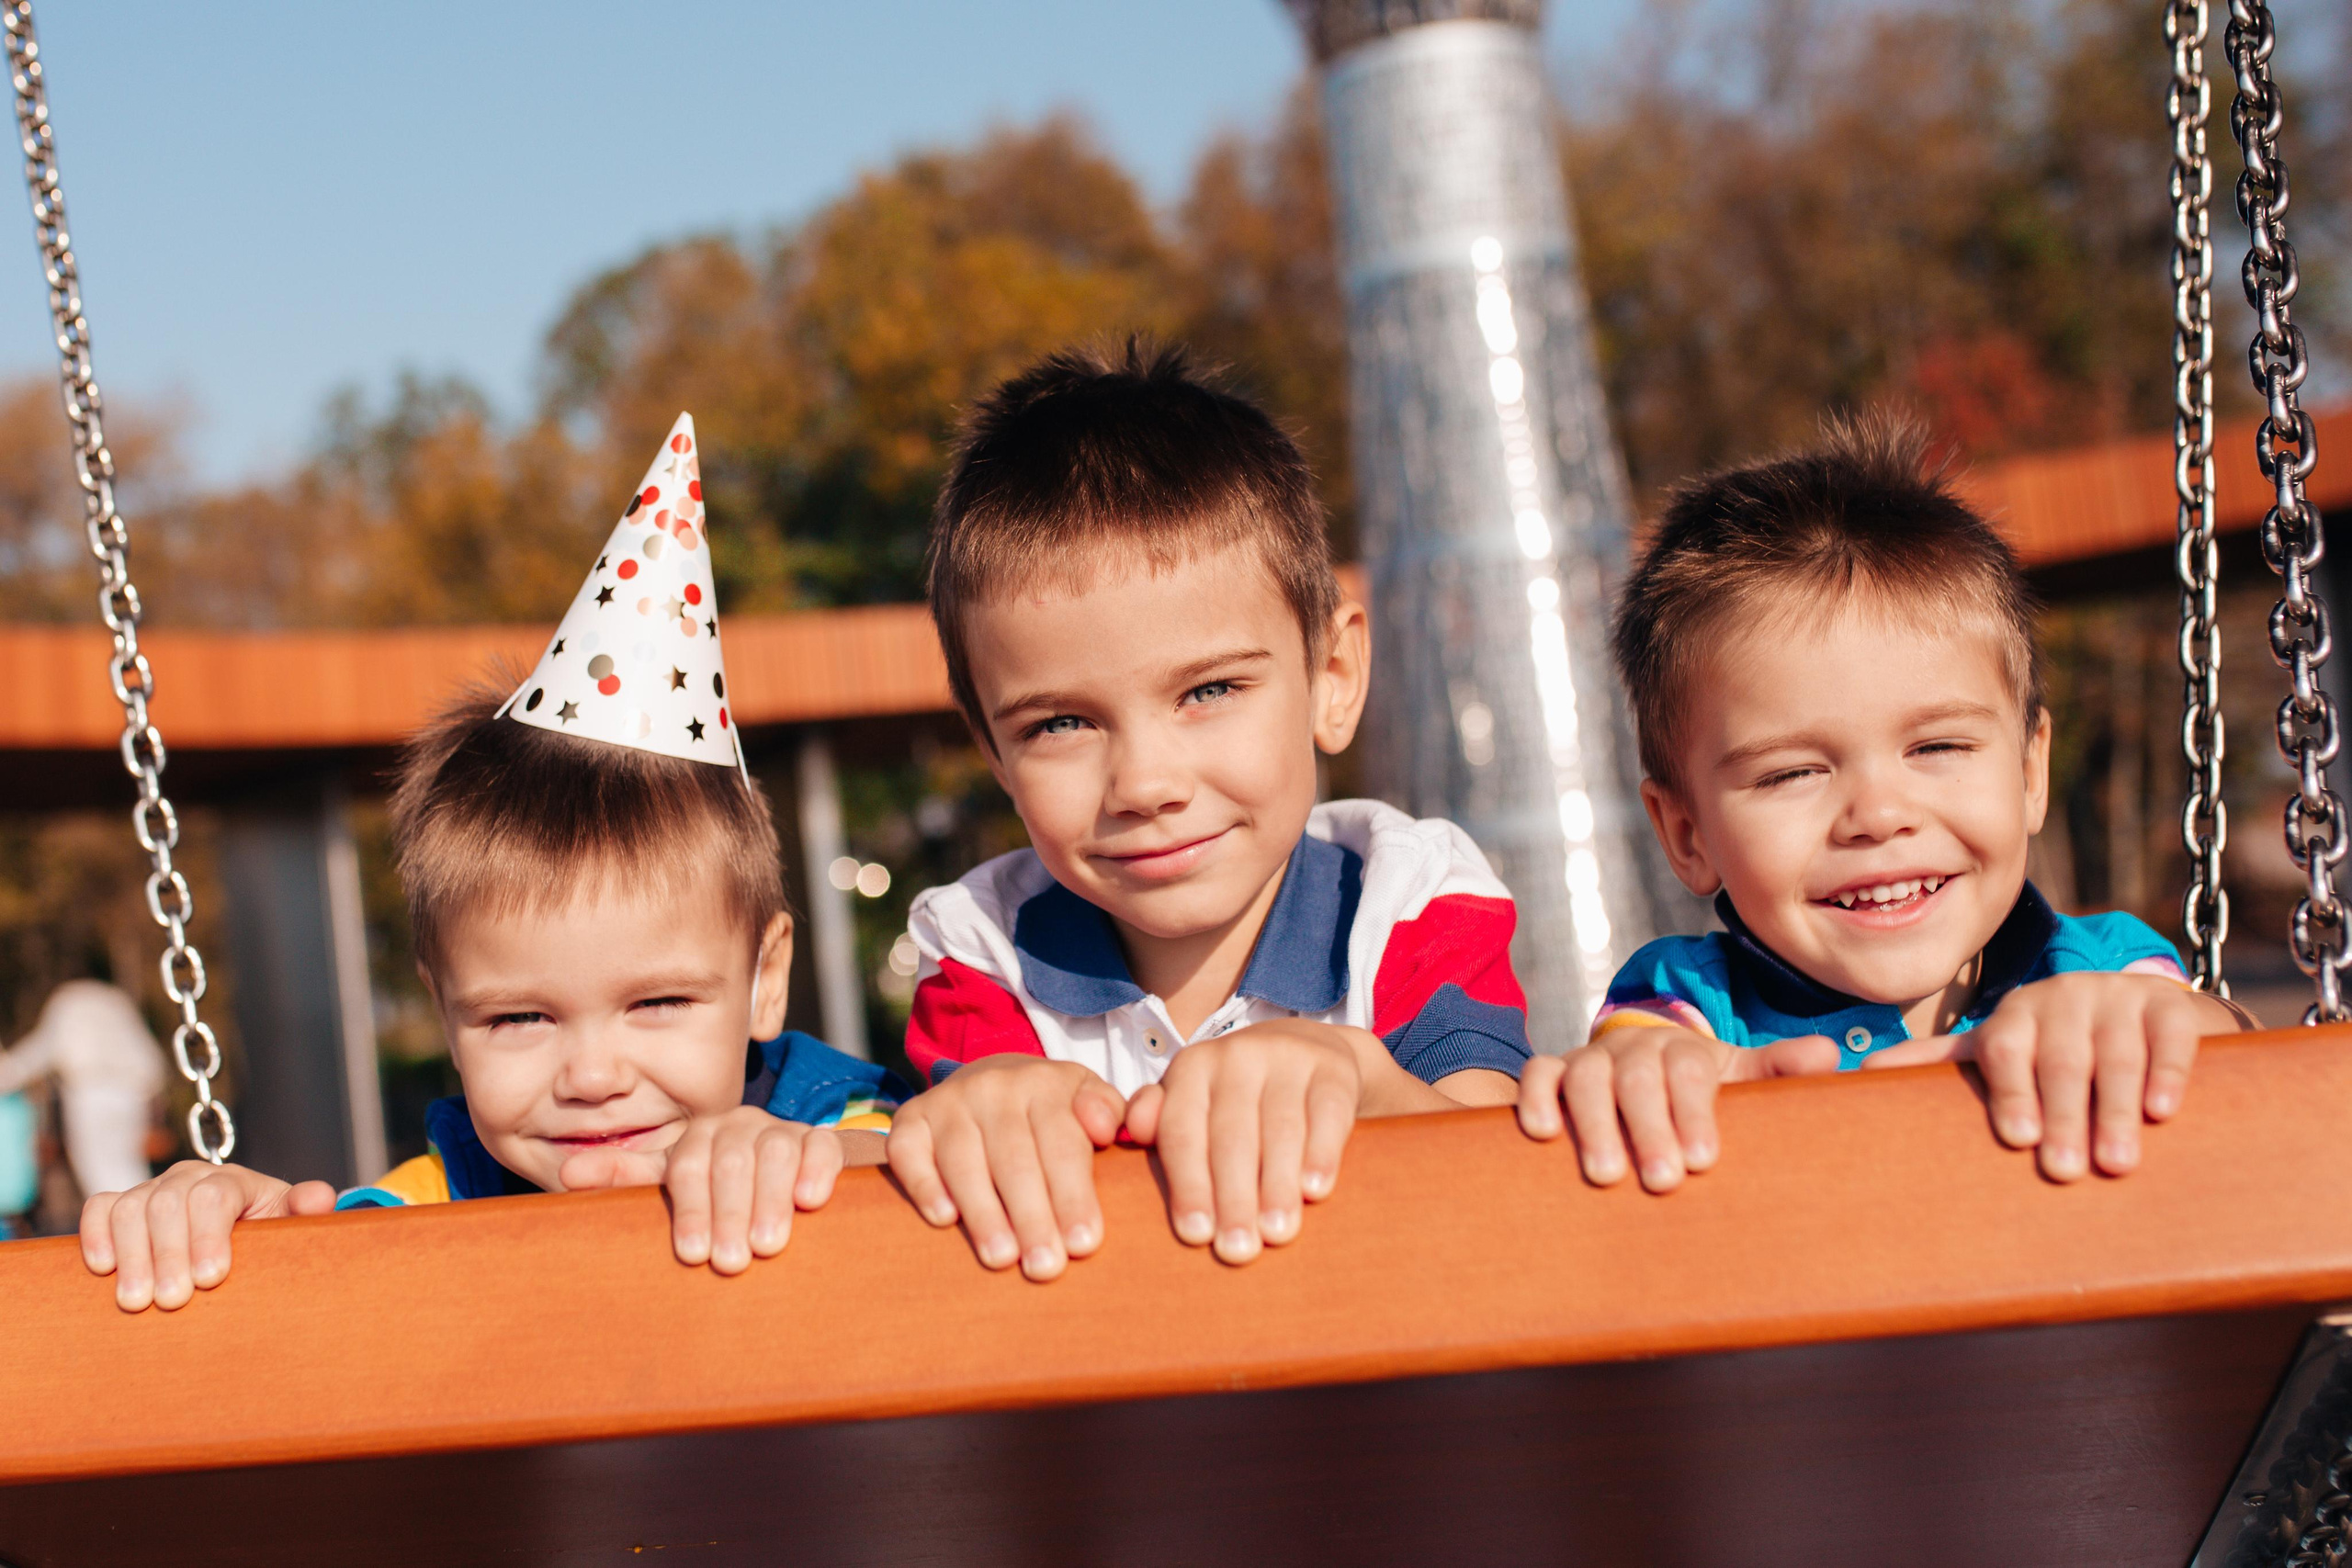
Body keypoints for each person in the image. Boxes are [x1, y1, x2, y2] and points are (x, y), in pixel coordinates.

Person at [79, 413, 902, 1312]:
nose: (592, 1078)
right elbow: (325, 1269)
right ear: (443, 1011)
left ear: (765, 979)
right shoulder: (435, 1201)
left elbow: (912, 1161)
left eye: (658, 1002)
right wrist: (233, 1227)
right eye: (517, 1019)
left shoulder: (839, 1126)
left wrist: (816, 1164)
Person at [891, 342, 1532, 1282]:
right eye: (1061, 723)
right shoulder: (982, 952)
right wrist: (978, 1112)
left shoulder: (1406, 896)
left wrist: (1363, 1080)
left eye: (1209, 690)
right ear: (990, 749)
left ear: (1333, 676)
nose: (1146, 783)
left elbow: (1507, 1183)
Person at [1516, 416, 2253, 1190]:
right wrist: (1638, 1072)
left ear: (2031, 773)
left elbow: (2232, 1045)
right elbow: (1633, 1055)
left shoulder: (2093, 967)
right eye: (1790, 773)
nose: (1879, 814)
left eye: (1936, 748)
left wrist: (2135, 1023)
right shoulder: (1694, 1005)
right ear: (1687, 832)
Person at [0, 978, 168, 1201]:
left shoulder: (68, 1000)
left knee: (97, 1167)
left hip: (90, 1094)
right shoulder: (115, 1000)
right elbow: (150, 1058)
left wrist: (9, 1073)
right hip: (130, 1096)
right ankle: (140, 1213)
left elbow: (42, 1050)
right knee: (127, 1164)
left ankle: (117, 1221)